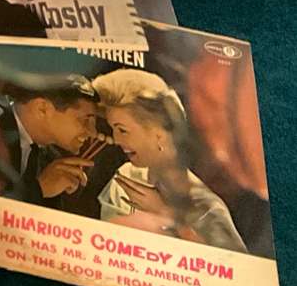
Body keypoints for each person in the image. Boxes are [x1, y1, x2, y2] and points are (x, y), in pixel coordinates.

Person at [91, 69, 248, 253]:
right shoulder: (125, 178)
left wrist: (165, 214)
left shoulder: (208, 208)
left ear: (159, 135)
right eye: (113, 129)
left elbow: (233, 266)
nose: (116, 139)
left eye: (122, 130)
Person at [0, 74, 121, 213]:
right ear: (42, 109)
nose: (92, 132)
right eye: (85, 120)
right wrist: (39, 188)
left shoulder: (52, 159)